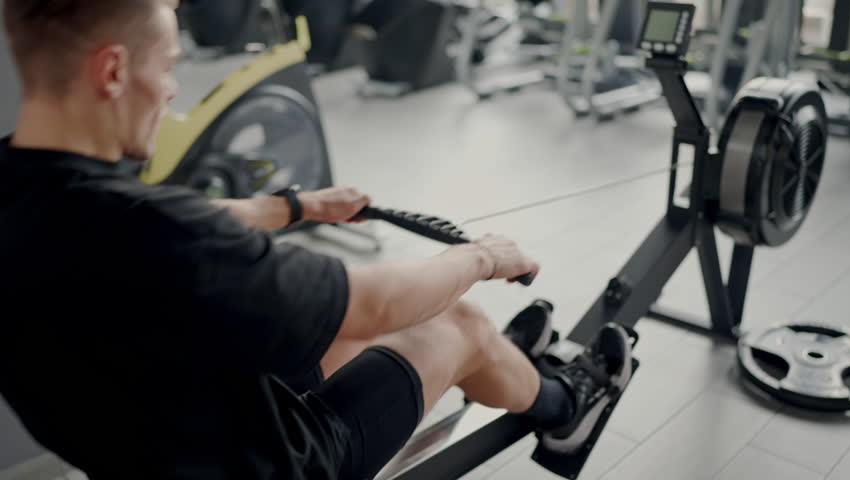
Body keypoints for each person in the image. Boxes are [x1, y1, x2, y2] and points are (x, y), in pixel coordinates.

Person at [0, 1, 636, 479]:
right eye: (166, 67)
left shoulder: (32, 185)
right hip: (265, 463)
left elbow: (156, 224)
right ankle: (568, 408)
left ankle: (502, 366)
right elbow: (376, 303)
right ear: (113, 70)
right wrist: (481, 257)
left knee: (365, 332)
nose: (171, 88)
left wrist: (295, 207)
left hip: (142, 424)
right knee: (458, 321)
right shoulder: (158, 230)